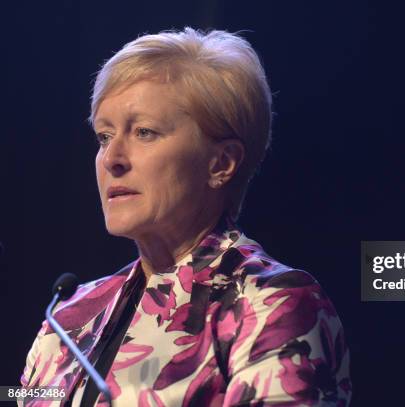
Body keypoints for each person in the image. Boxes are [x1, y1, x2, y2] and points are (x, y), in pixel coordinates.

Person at [19, 27, 351, 406]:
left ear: (221, 163)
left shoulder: (271, 304)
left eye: (144, 132)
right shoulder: (67, 318)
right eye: (104, 136)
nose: (112, 159)